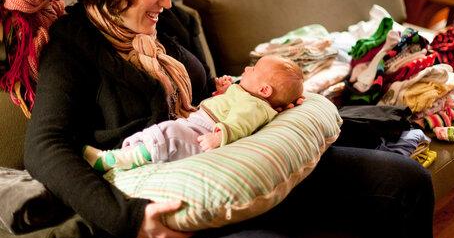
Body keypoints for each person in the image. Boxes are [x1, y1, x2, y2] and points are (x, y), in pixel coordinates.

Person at [24, 0, 436, 238]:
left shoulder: (168, 24)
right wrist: (129, 219)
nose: (168, 1)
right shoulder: (72, 45)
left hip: (235, 157)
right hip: (181, 194)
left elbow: (212, 94)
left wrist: (253, 101)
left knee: (407, 181)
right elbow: (44, 148)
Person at [82, 55, 304, 171]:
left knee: (169, 134)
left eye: (253, 69)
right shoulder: (248, 96)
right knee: (161, 131)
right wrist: (225, 91)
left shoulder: (255, 106)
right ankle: (125, 154)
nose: (246, 69)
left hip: (205, 132)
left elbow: (239, 122)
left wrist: (220, 136)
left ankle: (117, 159)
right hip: (197, 122)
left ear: (264, 90)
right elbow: (231, 105)